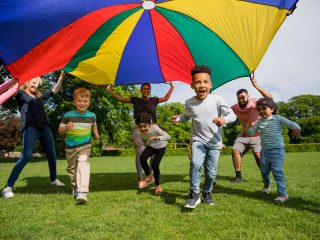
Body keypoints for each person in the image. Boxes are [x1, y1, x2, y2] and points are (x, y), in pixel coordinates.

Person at [172, 65, 236, 208]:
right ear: (192, 85)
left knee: (211, 173)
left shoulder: (217, 99)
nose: (202, 85)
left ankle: (207, 192)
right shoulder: (189, 103)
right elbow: (186, 116)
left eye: (205, 82)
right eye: (198, 82)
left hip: (214, 143)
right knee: (195, 163)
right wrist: (178, 119)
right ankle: (194, 194)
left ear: (210, 84)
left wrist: (223, 120)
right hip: (197, 139)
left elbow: (232, 115)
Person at [1, 72, 65, 199]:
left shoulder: (39, 96)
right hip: (30, 128)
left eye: (37, 83)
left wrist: (61, 78)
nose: (35, 84)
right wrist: (16, 81)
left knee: (52, 154)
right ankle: (8, 187)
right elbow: (11, 91)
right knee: (26, 156)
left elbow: (54, 91)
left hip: (44, 128)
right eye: (33, 82)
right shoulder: (20, 94)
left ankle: (53, 180)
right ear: (27, 82)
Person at [106, 82, 174, 183]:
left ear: (150, 91)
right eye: (144, 89)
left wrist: (172, 87)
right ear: (141, 90)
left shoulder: (154, 100)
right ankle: (139, 177)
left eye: (148, 89)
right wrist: (110, 91)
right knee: (140, 153)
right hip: (138, 130)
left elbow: (166, 98)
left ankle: (149, 175)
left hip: (152, 129)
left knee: (154, 154)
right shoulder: (135, 100)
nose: (146, 90)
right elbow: (120, 99)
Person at [247, 98, 301, 203]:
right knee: (263, 171)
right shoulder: (259, 122)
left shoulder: (278, 118)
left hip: (277, 151)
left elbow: (292, 124)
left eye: (264, 108)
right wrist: (248, 128)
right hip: (265, 151)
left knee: (277, 171)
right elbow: (251, 132)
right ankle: (267, 184)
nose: (261, 111)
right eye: (259, 109)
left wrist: (297, 129)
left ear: (272, 109)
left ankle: (283, 194)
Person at [58, 87, 100, 204]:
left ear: (89, 102)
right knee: (72, 169)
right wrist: (66, 127)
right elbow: (60, 131)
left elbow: (94, 125)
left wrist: (96, 134)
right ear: (74, 102)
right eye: (79, 101)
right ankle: (74, 187)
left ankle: (82, 192)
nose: (82, 103)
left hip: (85, 145)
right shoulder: (68, 115)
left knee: (83, 163)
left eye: (85, 101)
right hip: (70, 146)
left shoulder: (92, 115)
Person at [231, 77, 273, 182]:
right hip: (244, 135)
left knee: (257, 155)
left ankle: (265, 176)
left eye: (243, 97)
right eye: (239, 98)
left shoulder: (256, 103)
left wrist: (256, 86)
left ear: (248, 96)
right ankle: (238, 177)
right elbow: (224, 112)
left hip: (258, 135)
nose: (241, 100)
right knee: (235, 151)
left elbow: (269, 98)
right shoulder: (235, 107)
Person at [136, 113, 170, 195]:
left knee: (155, 165)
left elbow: (168, 137)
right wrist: (141, 143)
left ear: (150, 124)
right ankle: (149, 177)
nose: (142, 129)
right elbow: (145, 140)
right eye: (140, 126)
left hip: (161, 147)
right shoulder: (139, 133)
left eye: (145, 126)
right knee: (142, 158)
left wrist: (157, 137)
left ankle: (157, 186)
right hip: (151, 146)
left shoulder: (155, 128)